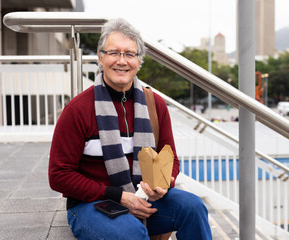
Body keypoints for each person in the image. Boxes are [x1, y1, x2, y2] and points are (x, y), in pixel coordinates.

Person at [48, 18, 212, 240]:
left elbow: (170, 159)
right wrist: (119, 196)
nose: (121, 61)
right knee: (129, 232)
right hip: (94, 203)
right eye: (114, 52)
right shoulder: (78, 110)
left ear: (138, 60)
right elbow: (59, 175)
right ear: (100, 57)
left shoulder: (155, 104)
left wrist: (163, 184)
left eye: (129, 54)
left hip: (145, 196)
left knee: (193, 207)